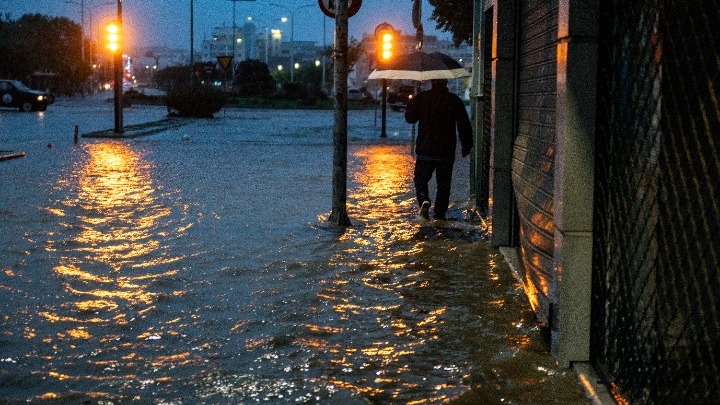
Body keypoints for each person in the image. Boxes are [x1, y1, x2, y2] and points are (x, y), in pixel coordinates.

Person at [405, 78, 473, 221]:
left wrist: (412, 103)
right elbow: (464, 125)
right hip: (446, 150)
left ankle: (424, 199)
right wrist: (466, 146)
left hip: (425, 149)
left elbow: (410, 118)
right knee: (444, 183)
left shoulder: (422, 98)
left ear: (432, 82)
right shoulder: (454, 101)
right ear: (446, 82)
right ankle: (440, 214)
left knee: (420, 178)